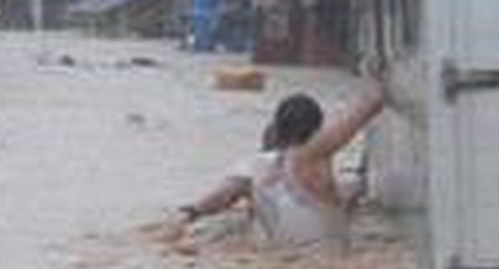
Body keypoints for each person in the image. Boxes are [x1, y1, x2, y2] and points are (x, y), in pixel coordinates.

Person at [165, 79, 386, 253]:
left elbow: (221, 196)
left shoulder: (253, 167)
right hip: (326, 262)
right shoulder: (314, 157)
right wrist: (377, 77)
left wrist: (188, 213)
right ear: (318, 130)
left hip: (276, 257)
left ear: (277, 130)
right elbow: (370, 105)